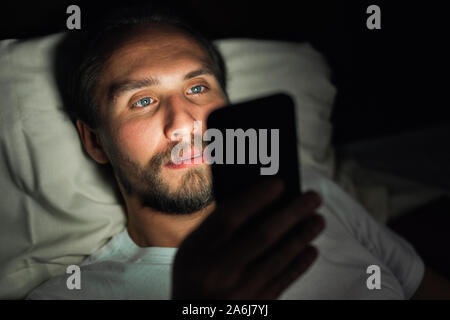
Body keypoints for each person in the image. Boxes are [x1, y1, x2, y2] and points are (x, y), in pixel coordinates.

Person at [27, 6, 450, 300]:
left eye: (197, 88)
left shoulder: (311, 197)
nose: (184, 124)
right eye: (142, 100)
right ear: (95, 141)